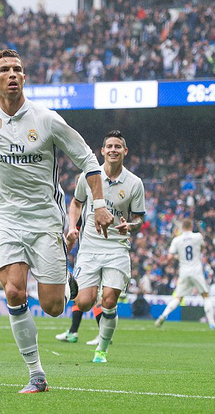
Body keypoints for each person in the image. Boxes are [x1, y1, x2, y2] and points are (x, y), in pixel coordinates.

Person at [0, 49, 113, 393]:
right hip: (3, 217)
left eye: (18, 69)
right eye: (5, 70)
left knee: (54, 307)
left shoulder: (47, 119)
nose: (12, 74)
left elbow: (89, 160)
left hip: (45, 219)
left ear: (24, 77)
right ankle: (36, 374)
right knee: (13, 290)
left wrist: (101, 204)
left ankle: (63, 276)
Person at [62, 130, 145, 363]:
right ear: (102, 150)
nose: (113, 150)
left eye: (118, 146)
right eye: (109, 146)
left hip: (117, 248)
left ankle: (102, 350)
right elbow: (76, 203)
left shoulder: (134, 183)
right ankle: (84, 290)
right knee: (84, 302)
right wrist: (72, 226)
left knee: (109, 301)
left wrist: (131, 225)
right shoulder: (89, 176)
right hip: (89, 247)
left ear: (125, 151)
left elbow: (139, 218)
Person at [155, 219, 215, 330]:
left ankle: (163, 315)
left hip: (184, 271)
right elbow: (202, 248)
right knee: (205, 295)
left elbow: (169, 257)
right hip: (196, 270)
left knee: (178, 297)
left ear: (182, 227)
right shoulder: (198, 236)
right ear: (191, 227)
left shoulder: (177, 240)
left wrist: (178, 256)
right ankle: (212, 323)